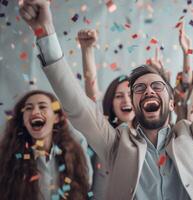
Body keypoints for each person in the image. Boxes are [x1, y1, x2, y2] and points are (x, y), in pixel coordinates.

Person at [19, 0, 193, 199]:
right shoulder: (116, 144)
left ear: (171, 103)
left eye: (157, 86)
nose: (149, 91)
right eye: (139, 89)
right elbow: (77, 107)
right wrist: (45, 31)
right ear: (134, 102)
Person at [0, 90, 90, 200]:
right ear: (23, 121)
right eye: (29, 108)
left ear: (56, 118)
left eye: (42, 107)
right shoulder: (8, 158)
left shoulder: (75, 153)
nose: (35, 112)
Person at [78, 29, 135, 199]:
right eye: (119, 96)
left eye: (130, 95)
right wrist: (87, 50)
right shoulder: (102, 133)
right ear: (111, 103)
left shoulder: (149, 136)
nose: (125, 100)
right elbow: (92, 95)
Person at [174, 22, 193, 122]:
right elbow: (185, 85)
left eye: (192, 99)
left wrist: (187, 54)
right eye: (181, 100)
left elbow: (187, 85)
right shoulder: (171, 134)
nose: (189, 103)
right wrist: (186, 54)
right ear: (174, 107)